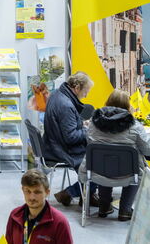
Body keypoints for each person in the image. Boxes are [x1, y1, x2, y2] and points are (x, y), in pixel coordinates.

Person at [82, 89, 150, 220]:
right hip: (128, 175)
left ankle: (104, 206)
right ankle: (125, 210)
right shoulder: (135, 126)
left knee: (104, 161)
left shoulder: (93, 123)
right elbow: (149, 150)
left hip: (97, 173)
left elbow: (88, 141)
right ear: (128, 106)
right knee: (135, 169)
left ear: (107, 102)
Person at [43, 72, 94, 207]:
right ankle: (71, 193)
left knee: (97, 160)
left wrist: (80, 125)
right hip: (62, 149)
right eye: (85, 91)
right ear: (77, 88)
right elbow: (71, 137)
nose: (86, 95)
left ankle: (88, 194)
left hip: (53, 144)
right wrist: (88, 131)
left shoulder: (57, 94)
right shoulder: (66, 105)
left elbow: (66, 127)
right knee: (98, 163)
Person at [5, 169, 74, 244]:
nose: (32, 197)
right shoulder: (14, 215)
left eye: (37, 192)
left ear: (47, 192)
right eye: (28, 191)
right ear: (22, 190)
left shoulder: (59, 222)